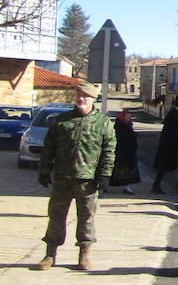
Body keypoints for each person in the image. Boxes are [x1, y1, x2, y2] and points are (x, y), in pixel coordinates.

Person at [32, 81, 116, 271]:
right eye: (79, 96)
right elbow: (49, 148)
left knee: (86, 218)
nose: (81, 99)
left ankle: (84, 255)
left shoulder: (103, 122)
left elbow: (109, 150)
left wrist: (105, 175)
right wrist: (44, 171)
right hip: (63, 178)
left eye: (85, 96)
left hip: (88, 180)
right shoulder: (62, 121)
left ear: (93, 99)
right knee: (56, 216)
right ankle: (50, 254)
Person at [151, 94, 178, 194]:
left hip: (170, 143)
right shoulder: (175, 114)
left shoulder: (173, 113)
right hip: (170, 145)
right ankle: (156, 186)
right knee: (165, 166)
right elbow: (177, 130)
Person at [110, 108, 140, 194]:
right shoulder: (119, 126)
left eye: (130, 118)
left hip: (129, 152)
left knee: (129, 170)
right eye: (128, 117)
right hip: (121, 151)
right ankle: (104, 186)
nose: (129, 119)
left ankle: (127, 187)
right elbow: (121, 137)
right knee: (115, 170)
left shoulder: (128, 125)